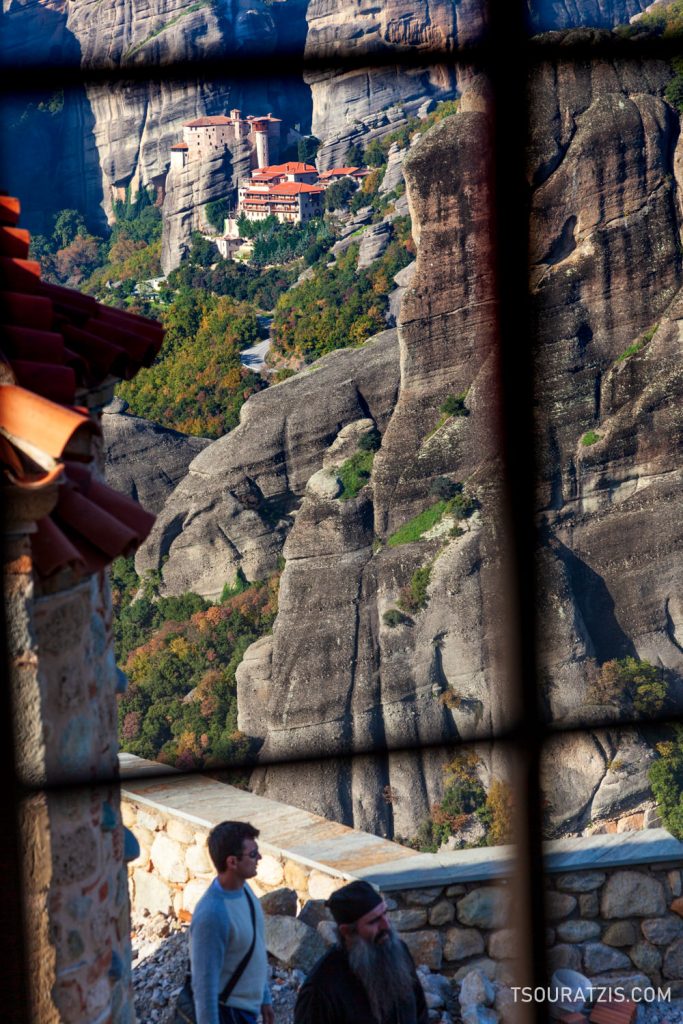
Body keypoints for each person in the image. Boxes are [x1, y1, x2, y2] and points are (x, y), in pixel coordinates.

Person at [294, 879, 428, 1024]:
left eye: (385, 913)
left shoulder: (398, 952)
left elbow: (420, 1011)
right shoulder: (320, 990)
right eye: (373, 921)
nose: (385, 925)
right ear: (347, 931)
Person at [190, 820, 274, 1024]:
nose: (259, 858)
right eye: (253, 854)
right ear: (232, 862)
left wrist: (264, 999)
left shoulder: (245, 890)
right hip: (229, 1014)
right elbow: (204, 988)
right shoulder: (211, 914)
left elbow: (255, 947)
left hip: (247, 1011)